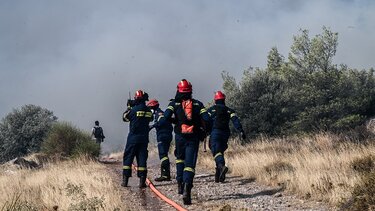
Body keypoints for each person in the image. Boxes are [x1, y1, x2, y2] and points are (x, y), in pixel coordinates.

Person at [161, 79, 210, 205]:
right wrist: (204, 131)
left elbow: (166, 117)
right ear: (190, 90)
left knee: (179, 159)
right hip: (193, 137)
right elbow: (207, 118)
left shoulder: (174, 104)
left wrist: (175, 121)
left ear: (179, 90)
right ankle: (187, 187)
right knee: (190, 164)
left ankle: (179, 184)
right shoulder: (198, 104)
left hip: (179, 137)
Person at [207, 91, 246, 183]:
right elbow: (235, 120)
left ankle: (221, 166)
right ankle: (218, 174)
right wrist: (241, 130)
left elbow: (205, 120)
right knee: (220, 151)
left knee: (216, 151)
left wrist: (203, 131)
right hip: (225, 133)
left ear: (215, 100)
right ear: (224, 99)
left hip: (215, 132)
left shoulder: (211, 110)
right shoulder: (229, 110)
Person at [121, 90, 153, 188]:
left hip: (133, 138)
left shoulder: (133, 110)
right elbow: (150, 119)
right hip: (144, 139)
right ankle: (142, 182)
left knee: (128, 159)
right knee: (142, 159)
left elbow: (125, 118)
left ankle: (125, 181)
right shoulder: (148, 111)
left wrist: (129, 107)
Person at [147, 99, 174, 182]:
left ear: (153, 107)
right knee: (163, 155)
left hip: (163, 136)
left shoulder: (159, 113)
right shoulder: (157, 114)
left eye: (150, 108)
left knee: (163, 155)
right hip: (165, 135)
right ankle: (165, 174)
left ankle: (165, 175)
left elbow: (162, 121)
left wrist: (152, 126)